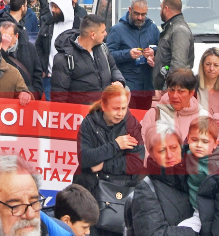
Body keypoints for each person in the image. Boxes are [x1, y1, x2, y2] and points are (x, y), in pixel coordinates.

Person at [73, 85, 144, 236]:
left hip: (121, 191)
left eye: (124, 108)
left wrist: (104, 164)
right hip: (91, 192)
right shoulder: (89, 123)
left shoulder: (132, 124)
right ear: (104, 106)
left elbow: (136, 163)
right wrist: (116, 145)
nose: (120, 113)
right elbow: (84, 158)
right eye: (116, 108)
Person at [129, 125, 195, 236]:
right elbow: (153, 233)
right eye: (162, 150)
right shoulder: (145, 190)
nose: (169, 155)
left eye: (174, 148)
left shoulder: (195, 178)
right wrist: (197, 230)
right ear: (151, 154)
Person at [51, 14, 125, 104]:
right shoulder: (64, 58)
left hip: (104, 111)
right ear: (93, 35)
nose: (106, 34)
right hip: (80, 114)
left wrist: (119, 81)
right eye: (103, 31)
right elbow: (59, 98)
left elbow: (113, 68)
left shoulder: (103, 49)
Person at [106, 0, 159, 110]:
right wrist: (128, 54)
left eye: (143, 14)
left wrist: (153, 54)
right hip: (127, 85)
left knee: (143, 121)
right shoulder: (118, 29)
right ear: (129, 10)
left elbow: (161, 49)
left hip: (146, 86)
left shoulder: (152, 28)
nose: (140, 17)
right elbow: (107, 56)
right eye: (136, 14)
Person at [141, 69, 209, 143]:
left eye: (181, 91)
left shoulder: (204, 117)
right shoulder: (154, 114)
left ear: (191, 93)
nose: (175, 96)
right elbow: (144, 147)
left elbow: (211, 148)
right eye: (172, 90)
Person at [36, 0, 75, 101]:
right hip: (50, 78)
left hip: (71, 79)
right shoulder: (48, 25)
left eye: (56, 7)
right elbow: (38, 46)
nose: (53, 10)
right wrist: (42, 67)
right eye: (52, 6)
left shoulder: (77, 25)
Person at [153, 0, 194, 91]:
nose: (160, 11)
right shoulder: (171, 28)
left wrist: (168, 91)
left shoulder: (179, 30)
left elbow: (178, 65)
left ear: (166, 9)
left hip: (172, 91)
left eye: (161, 7)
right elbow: (168, 57)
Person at [0, 21, 44, 101]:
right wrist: (3, 51)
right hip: (4, 97)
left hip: (26, 97)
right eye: (2, 36)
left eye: (8, 36)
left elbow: (37, 73)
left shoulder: (29, 48)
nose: (4, 39)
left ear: (16, 36)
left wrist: (34, 93)